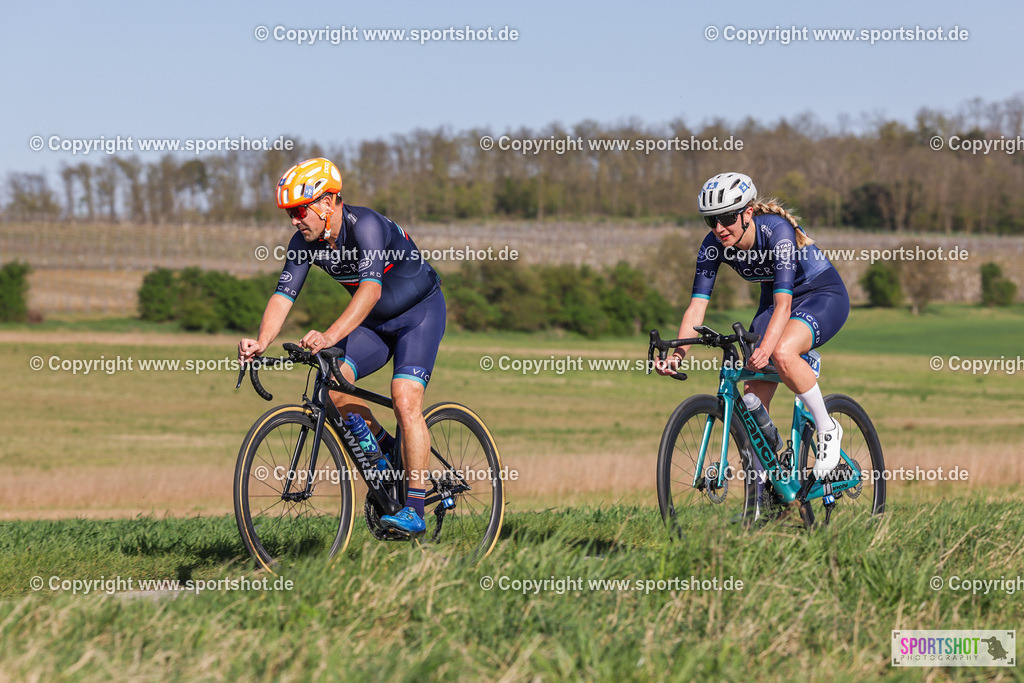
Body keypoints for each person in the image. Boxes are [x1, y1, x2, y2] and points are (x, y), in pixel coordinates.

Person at [238, 157, 445, 535]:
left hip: (420, 314)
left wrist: (329, 336)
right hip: (376, 323)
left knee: (404, 398)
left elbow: (371, 288)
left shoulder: (364, 225)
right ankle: (386, 457)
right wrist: (261, 341)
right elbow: (283, 296)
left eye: (299, 211)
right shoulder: (305, 243)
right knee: (334, 386)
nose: (295, 221)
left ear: (327, 202)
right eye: (289, 215)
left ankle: (414, 508)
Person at [655, 171, 850, 511]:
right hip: (773, 303)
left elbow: (786, 304)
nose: (719, 227)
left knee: (781, 351)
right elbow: (696, 308)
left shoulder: (777, 231)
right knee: (750, 402)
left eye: (728, 217)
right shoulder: (713, 245)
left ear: (747, 213)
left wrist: (767, 349)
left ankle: (827, 427)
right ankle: (764, 502)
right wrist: (678, 354)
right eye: (711, 219)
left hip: (820, 295)